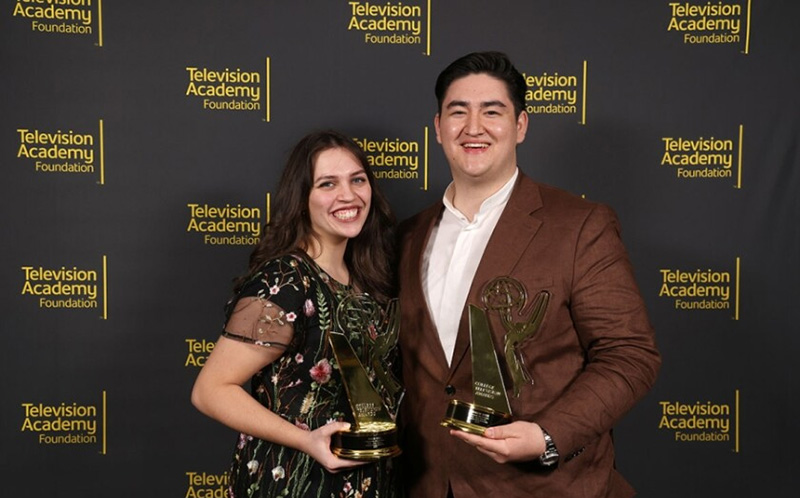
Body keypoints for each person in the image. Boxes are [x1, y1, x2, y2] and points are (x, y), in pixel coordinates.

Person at [397, 51, 661, 497]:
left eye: (492, 112)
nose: (473, 127)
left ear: (520, 125)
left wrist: (548, 436)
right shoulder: (406, 236)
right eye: (457, 112)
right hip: (427, 485)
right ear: (438, 127)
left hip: (544, 487)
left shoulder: (579, 225)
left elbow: (629, 353)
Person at [192, 130, 400, 498]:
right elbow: (210, 391)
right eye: (327, 184)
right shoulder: (286, 281)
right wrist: (307, 441)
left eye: (358, 180)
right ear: (302, 198)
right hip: (293, 482)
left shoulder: (366, 280)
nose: (348, 195)